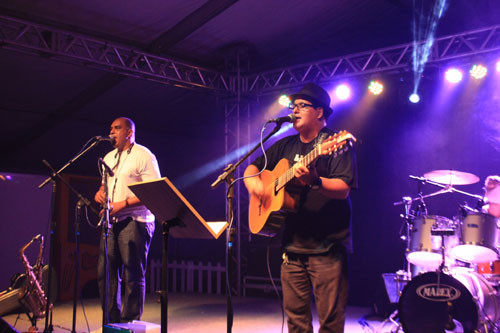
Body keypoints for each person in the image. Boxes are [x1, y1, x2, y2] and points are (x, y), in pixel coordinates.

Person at [243, 82, 358, 332]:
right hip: (293, 246)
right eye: (293, 106)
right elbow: (252, 169)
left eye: (302, 106)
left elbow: (343, 188)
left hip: (328, 245)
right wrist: (256, 187)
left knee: (330, 322)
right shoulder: (285, 145)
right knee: (295, 321)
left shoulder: (334, 143)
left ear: (319, 112)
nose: (294, 110)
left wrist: (315, 180)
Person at [94, 117, 161, 323]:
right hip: (112, 222)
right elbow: (105, 186)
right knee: (105, 274)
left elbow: (154, 192)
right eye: (110, 128)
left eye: (117, 128)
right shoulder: (109, 156)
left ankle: (129, 322)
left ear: (129, 132)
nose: (111, 131)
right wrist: (100, 192)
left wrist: (121, 204)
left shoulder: (144, 156)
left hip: (136, 220)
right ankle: (111, 322)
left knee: (133, 275)